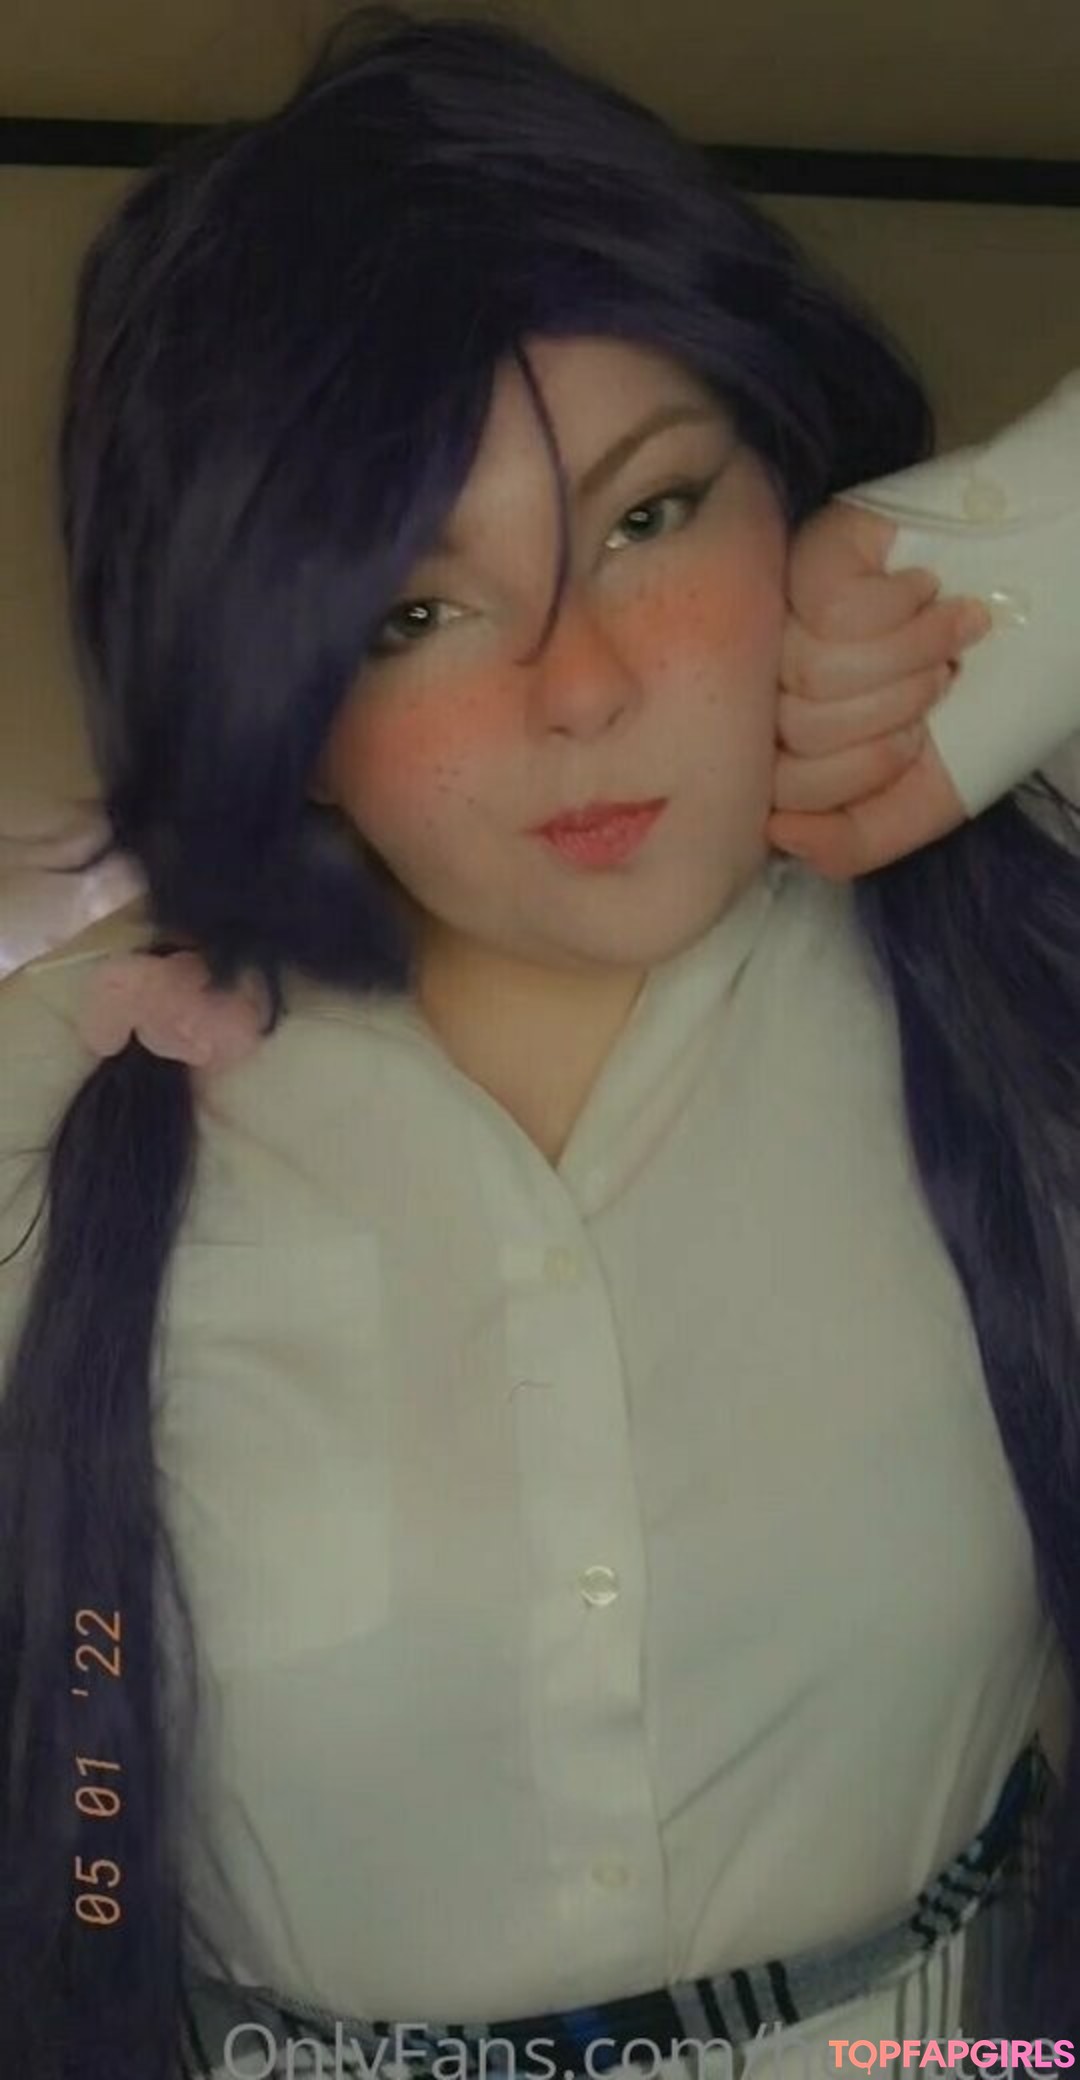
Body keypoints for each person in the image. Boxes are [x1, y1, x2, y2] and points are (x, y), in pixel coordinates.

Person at [0, 10, 1077, 2078]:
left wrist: (1032, 552)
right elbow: (84, 1843)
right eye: (412, 614)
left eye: (652, 517)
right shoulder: (57, 1110)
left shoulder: (1018, 962)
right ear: (274, 694)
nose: (577, 684)